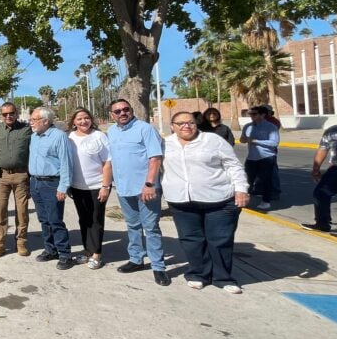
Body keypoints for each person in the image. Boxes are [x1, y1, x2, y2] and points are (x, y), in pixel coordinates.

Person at [163, 112, 249, 294]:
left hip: (219, 199)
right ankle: (198, 274)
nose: (186, 126)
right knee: (191, 240)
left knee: (219, 240)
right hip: (181, 200)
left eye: (190, 123)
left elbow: (233, 165)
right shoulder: (165, 144)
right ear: (172, 126)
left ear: (196, 124)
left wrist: (241, 189)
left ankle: (223, 277)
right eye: (180, 123)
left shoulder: (212, 140)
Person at [107, 99, 169, 286]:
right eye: (117, 111)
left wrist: (150, 183)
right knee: (132, 225)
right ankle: (136, 259)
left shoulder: (145, 129)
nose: (122, 113)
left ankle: (159, 267)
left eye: (126, 109)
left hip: (145, 188)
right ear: (112, 115)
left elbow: (155, 157)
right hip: (124, 188)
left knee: (151, 228)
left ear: (131, 110)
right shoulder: (111, 131)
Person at [28, 107, 76, 268]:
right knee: (44, 219)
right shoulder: (34, 136)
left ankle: (65, 254)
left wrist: (63, 187)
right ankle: (50, 249)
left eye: (34, 119)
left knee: (55, 220)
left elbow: (66, 163)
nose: (31, 122)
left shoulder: (59, 136)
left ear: (46, 121)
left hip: (51, 183)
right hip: (35, 182)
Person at [67, 107, 112, 270]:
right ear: (73, 122)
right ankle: (87, 251)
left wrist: (105, 186)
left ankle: (97, 254)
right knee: (84, 220)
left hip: (97, 186)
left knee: (95, 221)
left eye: (86, 118)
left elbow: (108, 162)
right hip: (77, 187)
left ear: (91, 119)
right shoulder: (70, 137)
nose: (83, 121)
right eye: (79, 119)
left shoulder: (99, 136)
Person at [302, 102, 337, 233]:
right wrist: (316, 168)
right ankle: (322, 224)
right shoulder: (333, 131)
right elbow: (323, 149)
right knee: (320, 193)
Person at [0, 102, 31, 257]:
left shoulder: (26, 130)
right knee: (0, 211)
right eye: (5, 114)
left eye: (11, 113)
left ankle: (21, 242)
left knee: (22, 211)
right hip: (2, 177)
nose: (8, 116)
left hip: (21, 176)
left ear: (17, 113)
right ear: (1, 115)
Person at [240, 105, 279, 211]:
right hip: (252, 158)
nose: (251, 116)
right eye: (250, 114)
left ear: (263, 115)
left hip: (266, 157)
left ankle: (266, 201)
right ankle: (244, 199)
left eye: (254, 114)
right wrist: (244, 139)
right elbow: (242, 139)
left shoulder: (271, 127)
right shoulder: (247, 126)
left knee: (266, 180)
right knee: (247, 180)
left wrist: (256, 141)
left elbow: (274, 143)